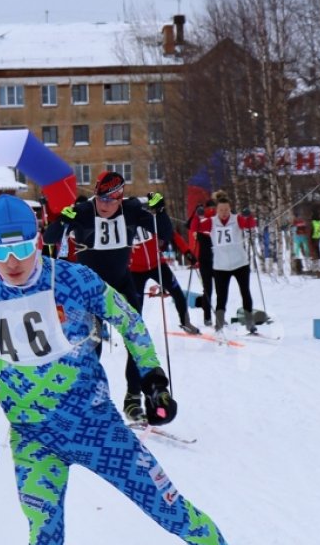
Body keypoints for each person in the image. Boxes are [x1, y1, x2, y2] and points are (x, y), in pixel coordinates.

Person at [0, 195, 308, 545]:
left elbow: (129, 319)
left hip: (99, 430)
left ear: (37, 241)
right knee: (43, 537)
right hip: (35, 440)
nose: (12, 263)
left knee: (169, 507)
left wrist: (153, 375)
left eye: (21, 249)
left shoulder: (71, 278)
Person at [43, 171, 170, 422]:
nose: (104, 205)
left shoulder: (132, 210)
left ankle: (134, 398)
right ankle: (89, 399)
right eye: (100, 199)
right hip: (90, 291)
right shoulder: (82, 211)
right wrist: (60, 220)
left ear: (120, 199)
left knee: (136, 339)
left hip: (122, 286)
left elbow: (164, 232)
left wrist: (161, 211)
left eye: (111, 201)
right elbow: (48, 239)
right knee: (91, 346)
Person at [128, 202, 199, 334]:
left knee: (177, 292)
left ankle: (186, 323)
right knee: (136, 303)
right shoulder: (125, 227)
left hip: (158, 265)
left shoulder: (151, 222)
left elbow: (173, 236)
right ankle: (136, 331)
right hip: (136, 271)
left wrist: (188, 253)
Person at [197, 191, 258, 333]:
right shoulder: (212, 221)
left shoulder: (236, 219)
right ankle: (219, 321)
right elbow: (196, 227)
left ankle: (250, 322)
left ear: (230, 209)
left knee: (245, 292)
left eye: (226, 210)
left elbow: (249, 224)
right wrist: (199, 215)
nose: (224, 213)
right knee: (221, 295)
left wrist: (248, 216)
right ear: (216, 210)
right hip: (221, 266)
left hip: (240, 264)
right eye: (221, 210)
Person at [189, 200, 216, 326]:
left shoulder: (214, 220)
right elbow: (191, 226)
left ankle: (219, 314)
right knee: (208, 289)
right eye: (209, 208)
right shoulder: (198, 221)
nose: (211, 210)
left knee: (220, 290)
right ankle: (207, 318)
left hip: (218, 261)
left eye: (213, 208)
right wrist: (197, 214)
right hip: (205, 261)